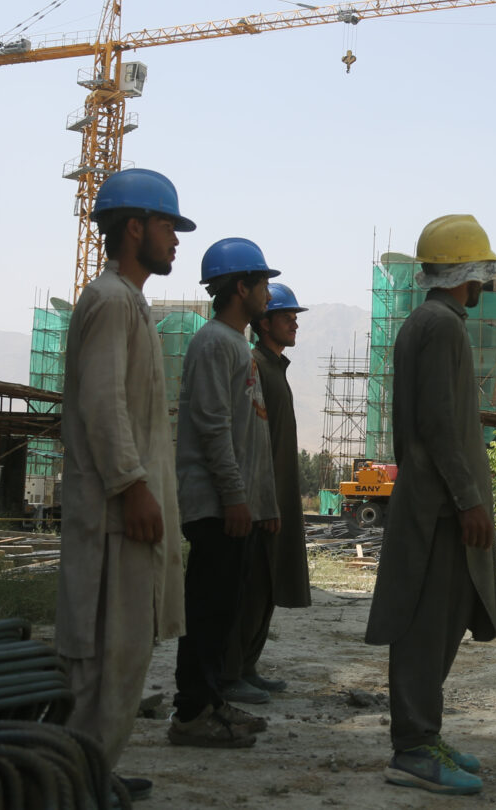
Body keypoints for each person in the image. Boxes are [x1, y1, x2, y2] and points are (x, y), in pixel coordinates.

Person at [56, 168, 194, 802]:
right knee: (107, 657)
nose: (175, 240)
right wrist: (133, 485)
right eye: (168, 226)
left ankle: (93, 774)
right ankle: (77, 785)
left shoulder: (128, 301)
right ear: (134, 227)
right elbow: (103, 403)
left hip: (126, 513)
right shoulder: (111, 300)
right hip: (113, 518)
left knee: (126, 653)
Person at [364, 214, 496, 796]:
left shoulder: (430, 321)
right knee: (426, 627)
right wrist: (469, 500)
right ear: (467, 271)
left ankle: (424, 734)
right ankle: (415, 747)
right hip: (441, 507)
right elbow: (440, 428)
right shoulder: (441, 327)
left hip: (437, 502)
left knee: (440, 622)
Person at [168, 237, 281, 748]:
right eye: (262, 283)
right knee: (208, 611)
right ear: (242, 287)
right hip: (216, 505)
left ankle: (211, 702)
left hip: (232, 504)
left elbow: (248, 434)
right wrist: (235, 498)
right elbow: (213, 428)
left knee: (222, 611)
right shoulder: (215, 343)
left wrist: (260, 502)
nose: (268, 292)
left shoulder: (235, 344)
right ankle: (192, 712)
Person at [220, 283, 313, 705]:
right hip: (263, 500)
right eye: (287, 316)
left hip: (278, 496)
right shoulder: (254, 365)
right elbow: (248, 441)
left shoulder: (276, 368)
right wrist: (260, 500)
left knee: (268, 584)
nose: (294, 323)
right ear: (264, 323)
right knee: (250, 586)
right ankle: (229, 670)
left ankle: (247, 665)